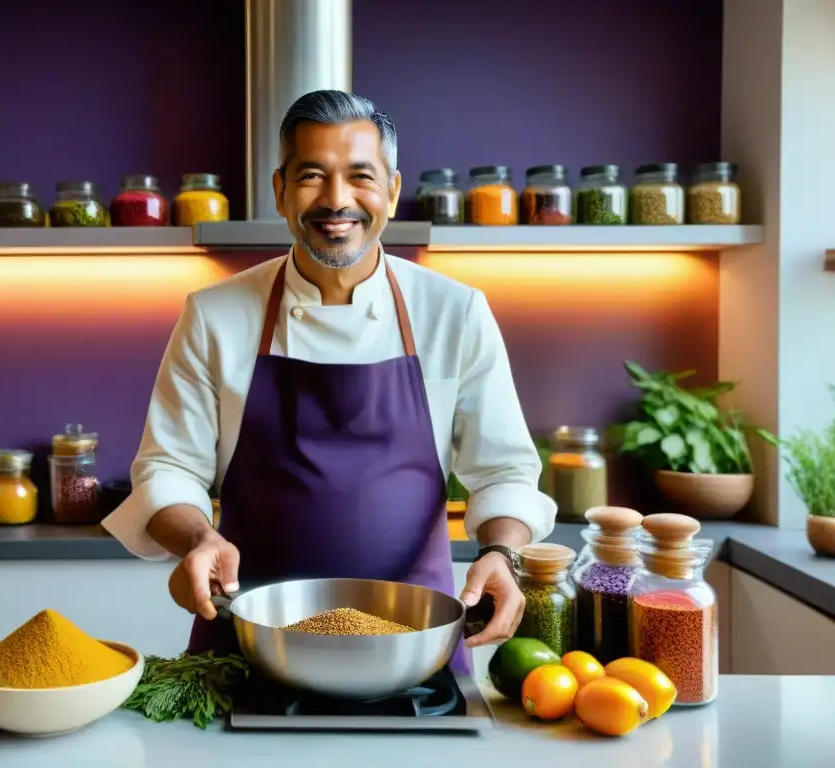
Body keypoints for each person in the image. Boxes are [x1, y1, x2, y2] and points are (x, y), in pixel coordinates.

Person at [103, 90, 556, 670]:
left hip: (414, 642)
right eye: (312, 175)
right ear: (281, 190)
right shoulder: (215, 315)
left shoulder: (455, 313)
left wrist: (501, 552)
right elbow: (168, 468)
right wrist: (197, 540)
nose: (337, 200)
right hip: (248, 640)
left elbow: (504, 470)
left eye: (360, 176)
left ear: (392, 190)